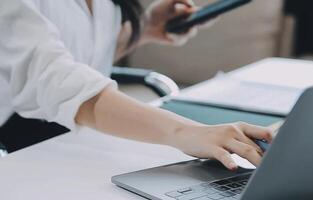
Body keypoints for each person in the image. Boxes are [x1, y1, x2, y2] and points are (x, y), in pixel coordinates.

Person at [0, 0, 273, 170]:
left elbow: (75, 54)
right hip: (14, 148)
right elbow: (50, 77)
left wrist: (148, 27)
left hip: (65, 144)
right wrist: (184, 131)